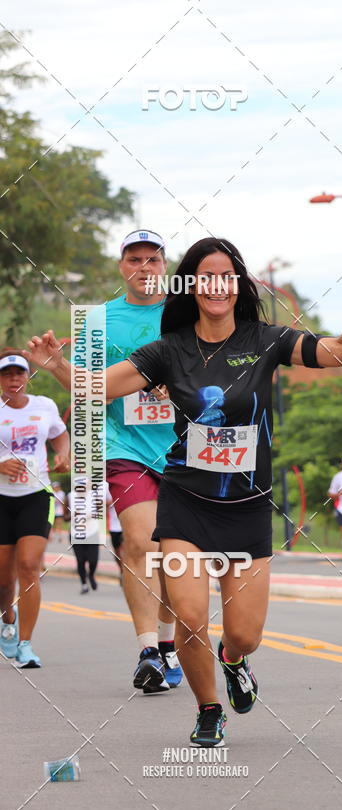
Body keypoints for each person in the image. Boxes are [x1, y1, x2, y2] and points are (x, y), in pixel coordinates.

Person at [27, 236, 342, 747]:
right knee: (192, 618)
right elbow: (100, 387)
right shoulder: (169, 349)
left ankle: (235, 661)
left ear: (237, 284)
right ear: (191, 286)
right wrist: (59, 369)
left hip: (244, 510)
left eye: (226, 276)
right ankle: (207, 708)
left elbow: (338, 353)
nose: (216, 285)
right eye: (205, 275)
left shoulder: (265, 339)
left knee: (244, 633)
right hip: (186, 503)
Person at [75, 230, 182, 692]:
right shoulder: (99, 320)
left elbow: (210, 369)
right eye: (134, 259)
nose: (144, 267)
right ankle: (147, 652)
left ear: (165, 266)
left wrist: (175, 387)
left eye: (152, 259)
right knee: (141, 543)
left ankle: (168, 644)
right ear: (122, 267)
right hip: (125, 447)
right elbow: (84, 385)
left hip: (184, 449)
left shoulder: (185, 315)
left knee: (176, 556)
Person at [0, 351, 70, 666]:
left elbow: (60, 435)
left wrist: (63, 454)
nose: (14, 380)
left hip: (36, 495)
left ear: (28, 376)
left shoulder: (44, 406)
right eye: (7, 375)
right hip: (2, 498)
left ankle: (26, 644)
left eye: (19, 374)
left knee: (29, 566)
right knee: (3, 581)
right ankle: (8, 620)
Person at [67, 478, 101, 594]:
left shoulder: (93, 495)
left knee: (93, 560)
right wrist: (73, 515)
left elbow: (100, 512)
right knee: (80, 560)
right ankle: (84, 584)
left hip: (92, 532)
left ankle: (91, 575)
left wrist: (93, 514)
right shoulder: (70, 496)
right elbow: (64, 516)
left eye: (84, 486)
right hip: (76, 533)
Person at [106, 487, 124, 577]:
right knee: (117, 551)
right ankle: (121, 570)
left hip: (125, 525)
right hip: (114, 526)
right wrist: (111, 502)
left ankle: (127, 570)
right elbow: (98, 505)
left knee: (126, 549)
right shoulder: (104, 486)